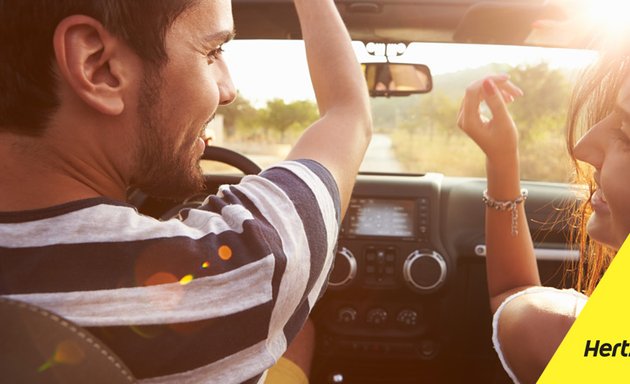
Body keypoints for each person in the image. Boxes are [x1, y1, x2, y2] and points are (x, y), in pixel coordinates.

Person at [0, 1, 372, 383]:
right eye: (212, 52)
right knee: (300, 331)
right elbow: (348, 116)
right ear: (100, 66)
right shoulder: (236, 270)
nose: (228, 90)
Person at [457, 47, 630, 382]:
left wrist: (502, 157)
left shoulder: (573, 337)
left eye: (625, 133)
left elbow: (515, 296)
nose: (582, 147)